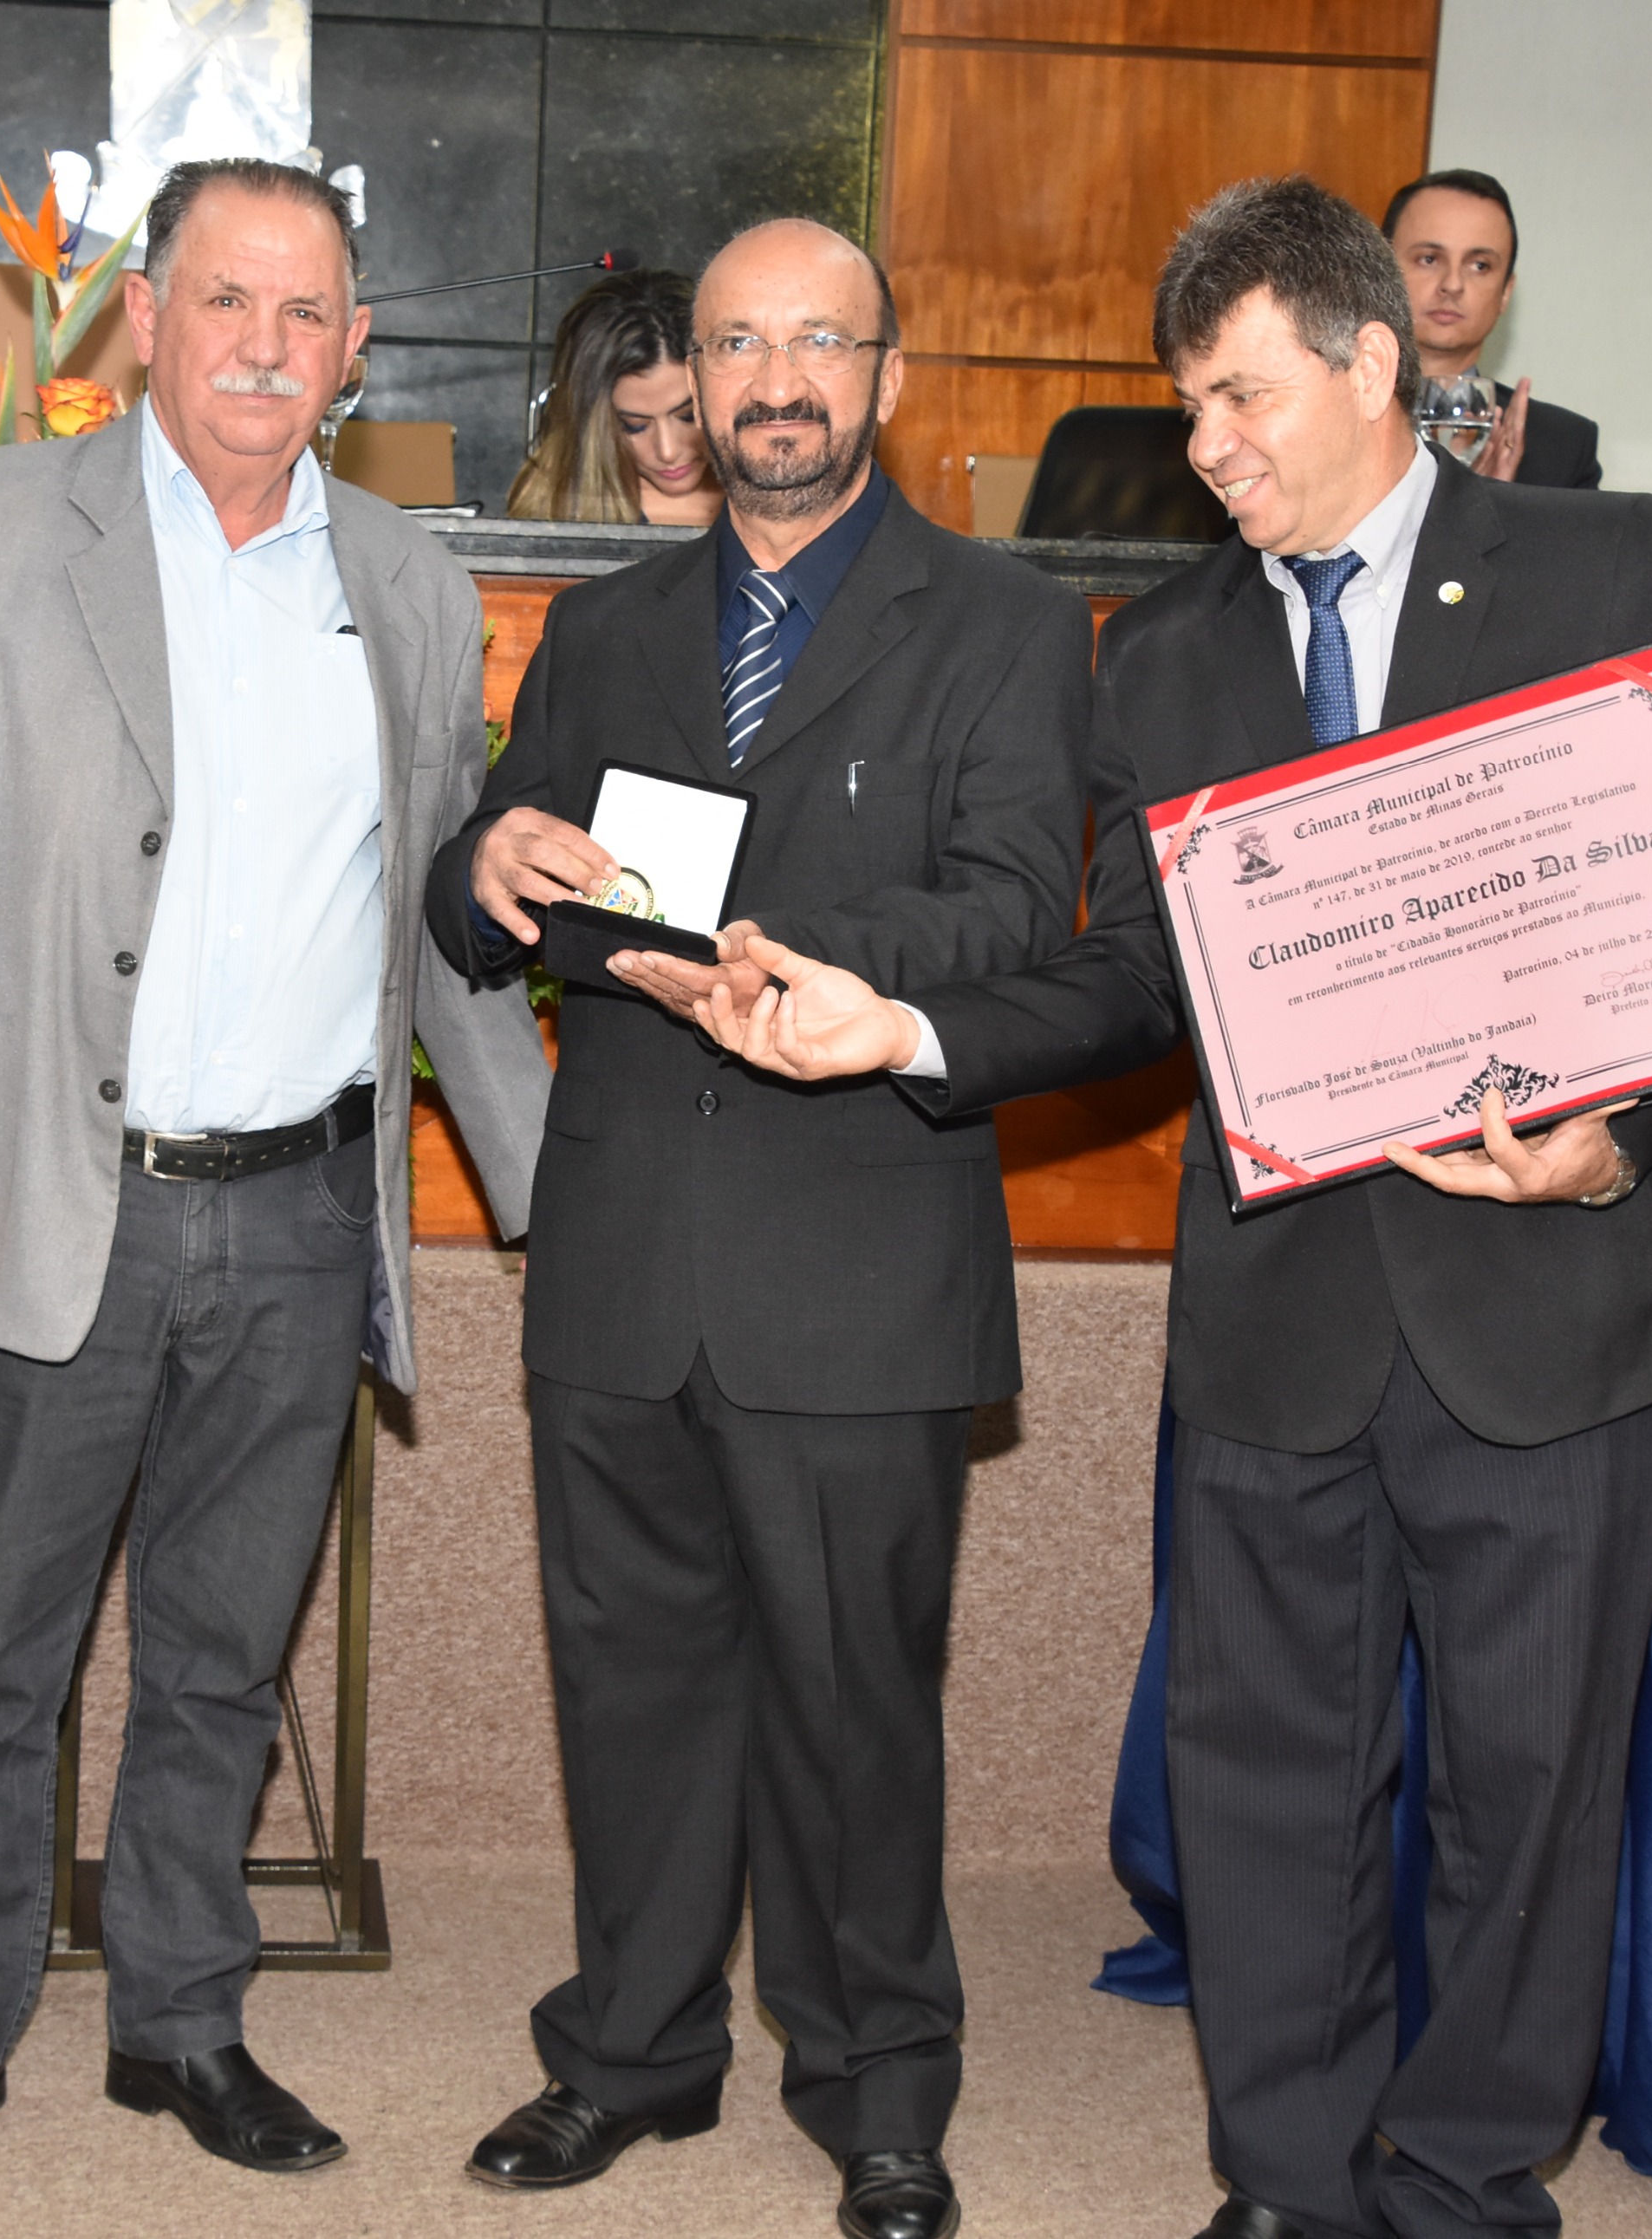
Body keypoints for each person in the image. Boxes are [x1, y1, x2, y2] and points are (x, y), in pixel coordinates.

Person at [700, 177, 1652, 2239]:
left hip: (1549, 1298)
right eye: (1187, 403)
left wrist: (1619, 1133)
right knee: (1263, 1791)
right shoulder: (1165, 654)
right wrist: (903, 1027)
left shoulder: (1597, 561)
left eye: (1243, 396)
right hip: (1280, 1321)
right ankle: (1288, 2182)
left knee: (1528, 1794)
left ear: (1373, 366)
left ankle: (1462, 2183)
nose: (1206, 446)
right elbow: (1134, 975)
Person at [0, 155, 551, 2197]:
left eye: (304, 312)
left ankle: (180, 2021)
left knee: (226, 1650)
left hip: (304, 1207)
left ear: (354, 349)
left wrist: (547, 1188)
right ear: (144, 314)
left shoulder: (410, 584)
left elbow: (443, 912)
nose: (260, 344)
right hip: (44, 1194)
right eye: (224, 298)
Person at [426, 217, 1091, 2239]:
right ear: (693, 386)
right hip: (624, 1251)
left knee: (850, 1715)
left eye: (820, 340)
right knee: (626, 1689)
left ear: (887, 377)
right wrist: (489, 857)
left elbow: (1018, 908)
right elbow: (485, 900)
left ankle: (879, 2089)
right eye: (738, 344)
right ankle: (628, 2052)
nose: (777, 378)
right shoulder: (609, 626)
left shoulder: (1004, 621)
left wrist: (768, 947)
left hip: (853, 1259)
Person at [1380, 168, 1600, 489]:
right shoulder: (1322, 416)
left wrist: (1490, 502)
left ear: (1506, 292)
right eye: (1429, 259)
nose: (1452, 285)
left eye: (1479, 265)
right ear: (1381, 273)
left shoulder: (1561, 448)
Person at [507, 265, 723, 525]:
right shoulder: (553, 506)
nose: (667, 451)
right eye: (634, 426)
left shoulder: (764, 492)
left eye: (688, 416)